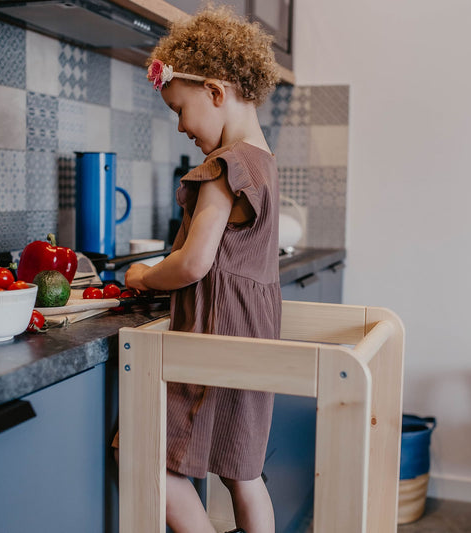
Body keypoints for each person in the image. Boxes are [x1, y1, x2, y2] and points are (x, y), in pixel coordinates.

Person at [112, 6, 281, 533]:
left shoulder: (224, 167)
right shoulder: (263, 160)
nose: (182, 126)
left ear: (214, 91)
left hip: (213, 340)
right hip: (253, 337)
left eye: (178, 109)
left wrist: (141, 276)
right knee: (244, 471)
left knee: (137, 448)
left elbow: (193, 262)